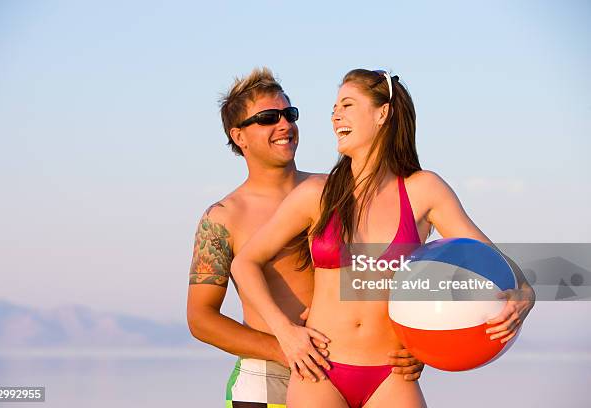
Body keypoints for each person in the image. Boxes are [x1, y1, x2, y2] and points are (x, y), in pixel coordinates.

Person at [230, 68, 536, 407]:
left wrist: (524, 297)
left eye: (347, 105)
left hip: (392, 375)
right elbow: (245, 263)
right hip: (320, 372)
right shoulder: (317, 194)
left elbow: (494, 264)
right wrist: (285, 334)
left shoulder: (424, 190)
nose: (335, 116)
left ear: (382, 113)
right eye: (334, 108)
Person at [187, 68, 425, 408]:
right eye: (268, 118)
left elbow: (393, 269)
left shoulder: (338, 191)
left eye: (290, 114)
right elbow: (201, 319)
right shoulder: (224, 217)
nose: (284, 125)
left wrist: (419, 344)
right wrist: (285, 347)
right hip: (268, 378)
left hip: (352, 370)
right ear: (239, 136)